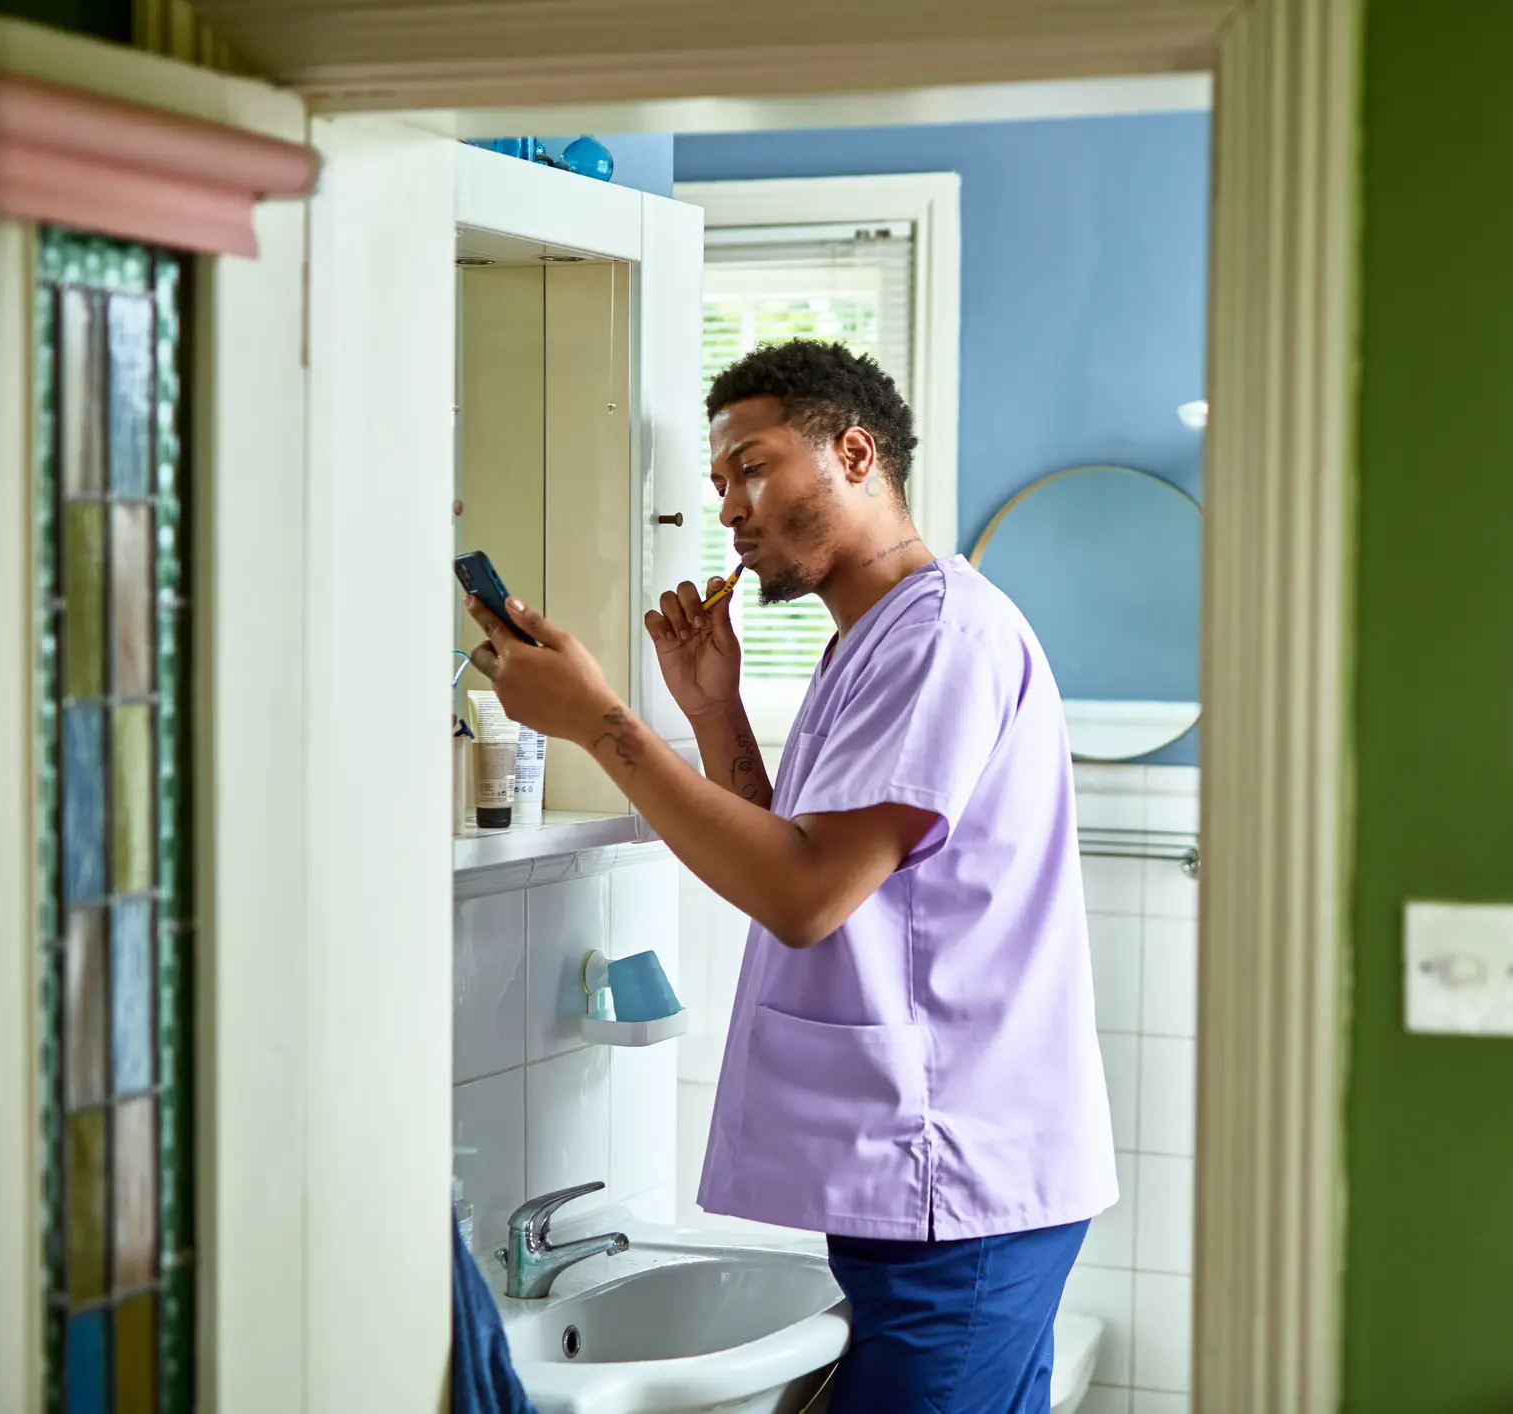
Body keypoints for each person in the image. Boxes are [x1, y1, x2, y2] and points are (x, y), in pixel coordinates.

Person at [466, 339, 1116, 1413]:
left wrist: (599, 722)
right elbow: (792, 852)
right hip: (929, 1184)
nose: (729, 509)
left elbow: (806, 896)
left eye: (753, 468)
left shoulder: (939, 639)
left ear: (855, 453)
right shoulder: (871, 640)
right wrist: (713, 711)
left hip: (958, 1185)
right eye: (720, 483)